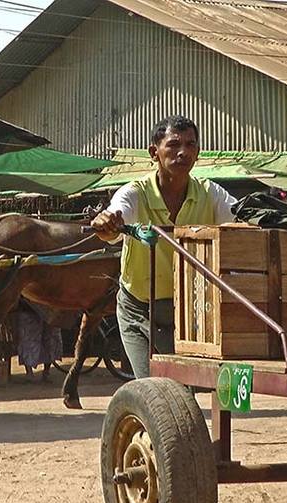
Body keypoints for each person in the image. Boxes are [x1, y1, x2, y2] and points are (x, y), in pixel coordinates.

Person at [91, 116, 236, 379]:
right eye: (173, 144)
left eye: (190, 145)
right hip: (138, 308)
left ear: (198, 153)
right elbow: (114, 220)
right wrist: (107, 222)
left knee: (183, 389)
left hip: (189, 311)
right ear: (153, 152)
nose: (183, 152)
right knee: (151, 387)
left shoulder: (210, 193)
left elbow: (241, 220)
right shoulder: (135, 192)